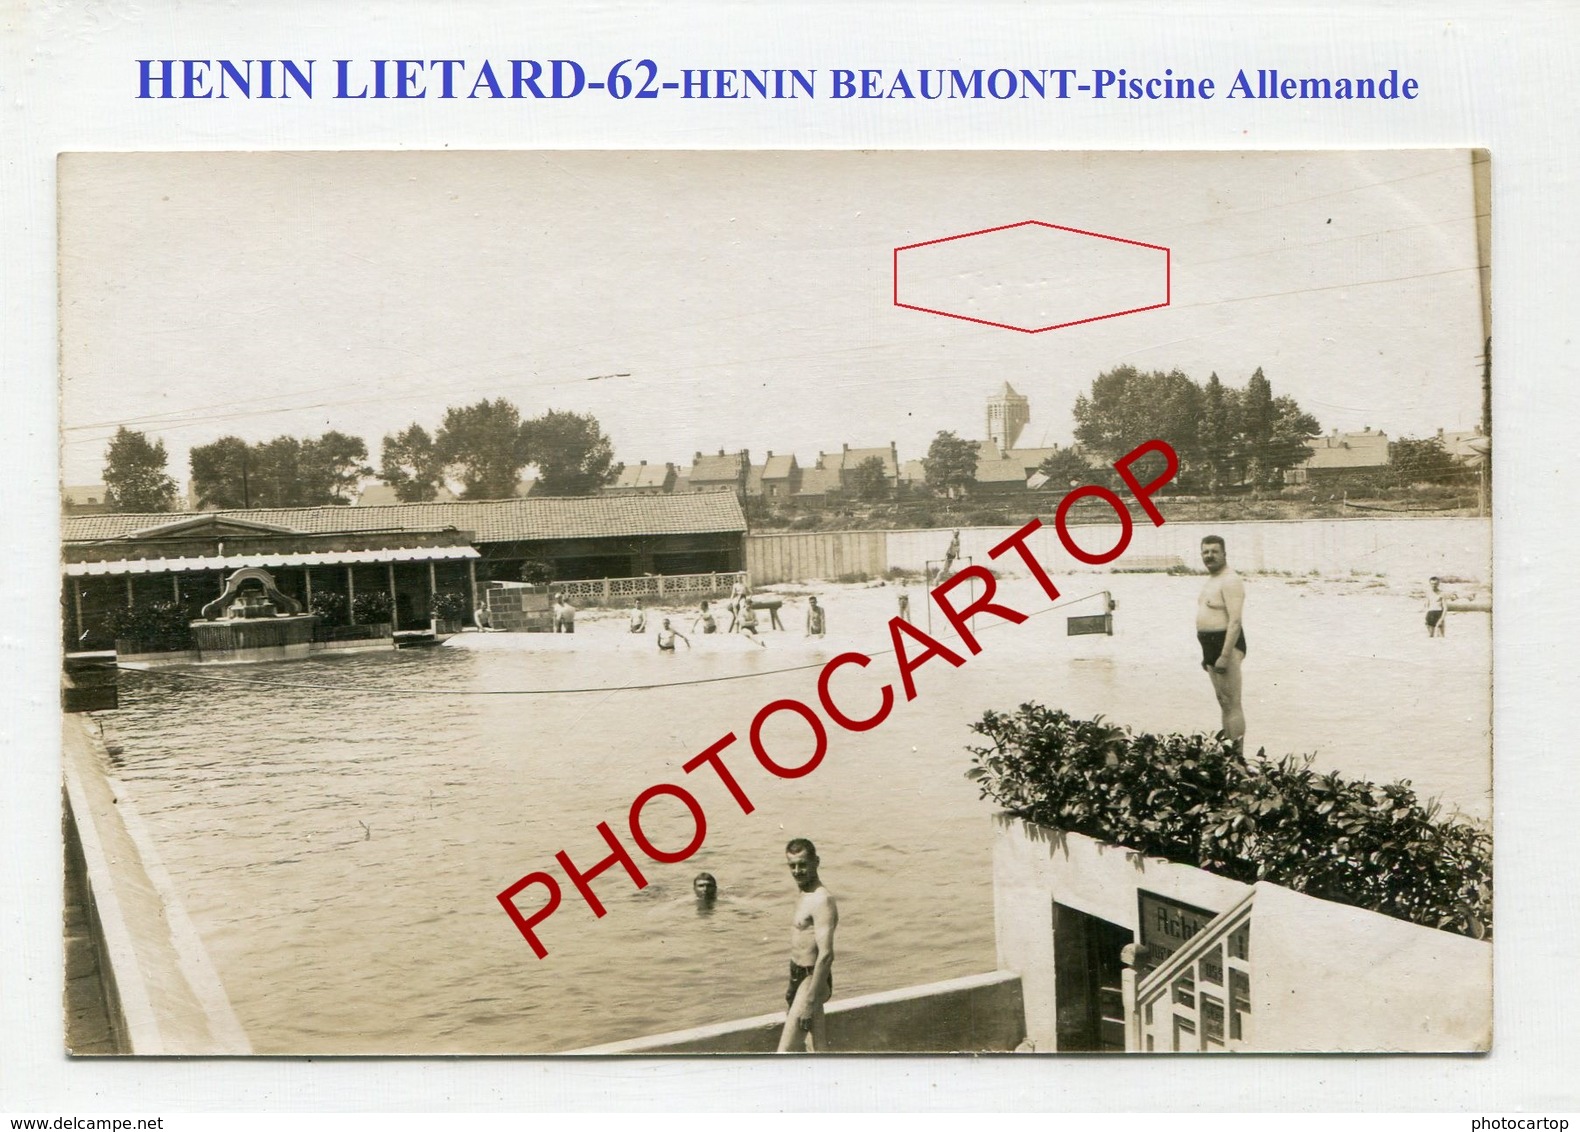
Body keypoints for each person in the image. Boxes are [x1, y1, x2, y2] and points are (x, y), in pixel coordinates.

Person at [778, 838, 837, 1053]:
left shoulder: (822, 899)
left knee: (785, 1052)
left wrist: (809, 1001)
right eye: (792, 865)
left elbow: (826, 955)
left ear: (816, 862)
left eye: (802, 864)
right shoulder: (804, 893)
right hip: (797, 975)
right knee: (817, 1048)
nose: (797, 871)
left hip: (812, 978)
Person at [1196, 535, 1246, 744]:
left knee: (1232, 702)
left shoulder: (1230, 580)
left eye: (1215, 552)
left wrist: (1225, 656)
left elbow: (1235, 621)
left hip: (1226, 643)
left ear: (1225, 554)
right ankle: (1228, 754)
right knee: (1222, 700)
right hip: (1209, 645)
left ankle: (1238, 757)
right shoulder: (1212, 580)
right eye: (1206, 552)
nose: (1210, 556)